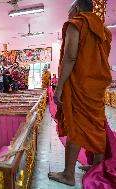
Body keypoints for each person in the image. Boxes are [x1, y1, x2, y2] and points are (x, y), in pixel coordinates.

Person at [48, 0, 112, 186]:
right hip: (97, 85)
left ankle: (68, 174)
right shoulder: (104, 31)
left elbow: (70, 57)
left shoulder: (76, 24)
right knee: (96, 123)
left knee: (76, 124)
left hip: (80, 84)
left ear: (76, 8)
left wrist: (59, 87)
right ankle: (97, 165)